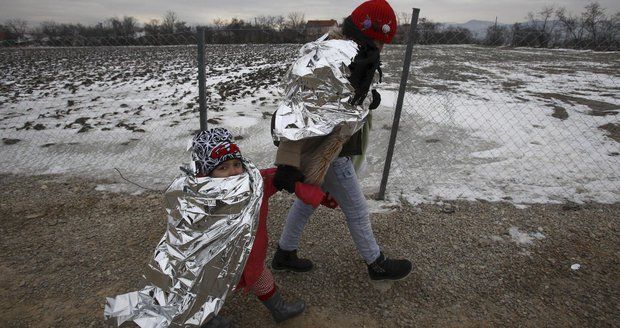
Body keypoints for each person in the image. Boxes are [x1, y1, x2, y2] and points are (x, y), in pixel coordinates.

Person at [104, 128, 307, 328]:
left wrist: (288, 175)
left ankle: (279, 309)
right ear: (207, 173)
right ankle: (206, 319)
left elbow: (272, 178)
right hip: (214, 261)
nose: (233, 171)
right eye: (223, 168)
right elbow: (184, 229)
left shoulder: (252, 184)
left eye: (237, 164)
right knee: (204, 289)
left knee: (259, 276)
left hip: (251, 253)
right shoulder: (198, 198)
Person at [270, 0, 412, 281]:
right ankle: (376, 264)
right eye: (379, 42)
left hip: (333, 146)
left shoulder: (353, 54)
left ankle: (285, 253)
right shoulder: (337, 57)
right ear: (367, 35)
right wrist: (287, 162)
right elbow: (300, 105)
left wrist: (368, 98)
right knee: (357, 209)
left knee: (307, 203)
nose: (382, 49)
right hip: (329, 152)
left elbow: (341, 100)